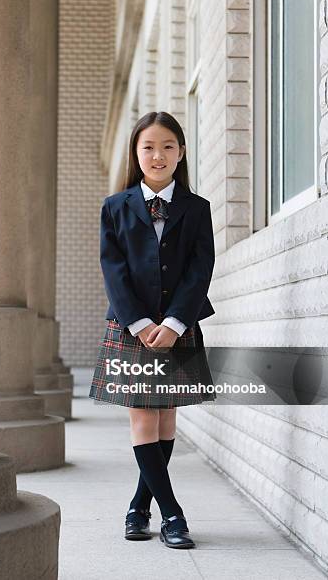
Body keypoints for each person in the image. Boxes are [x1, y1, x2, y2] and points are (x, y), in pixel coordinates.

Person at [89, 111, 217, 549]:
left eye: (167, 146)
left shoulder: (198, 209)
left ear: (181, 153)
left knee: (164, 419)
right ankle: (173, 515)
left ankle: (139, 506)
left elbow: (201, 269)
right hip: (132, 329)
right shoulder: (115, 207)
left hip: (180, 326)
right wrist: (142, 325)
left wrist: (177, 322)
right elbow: (114, 271)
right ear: (136, 154)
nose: (158, 155)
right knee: (144, 418)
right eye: (148, 147)